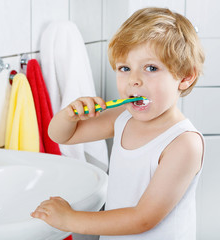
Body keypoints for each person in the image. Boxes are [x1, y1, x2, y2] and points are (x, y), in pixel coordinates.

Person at [31, 7, 205, 239]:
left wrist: (69, 219)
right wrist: (69, 115)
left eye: (151, 68)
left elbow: (143, 218)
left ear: (185, 77)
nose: (134, 80)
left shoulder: (183, 143)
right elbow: (62, 136)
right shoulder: (123, 117)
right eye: (125, 68)